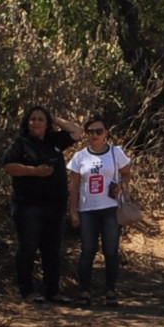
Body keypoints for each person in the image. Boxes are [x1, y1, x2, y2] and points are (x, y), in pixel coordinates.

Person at [0, 101, 74, 303]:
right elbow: (9, 166)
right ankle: (27, 291)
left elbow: (76, 132)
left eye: (41, 119)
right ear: (27, 122)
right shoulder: (20, 144)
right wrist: (35, 172)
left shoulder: (55, 141)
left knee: (52, 249)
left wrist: (55, 119)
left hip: (55, 205)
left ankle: (53, 291)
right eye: (33, 119)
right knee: (28, 247)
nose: (37, 122)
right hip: (28, 206)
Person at [68, 114, 131, 301]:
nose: (95, 135)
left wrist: (122, 186)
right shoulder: (80, 157)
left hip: (111, 208)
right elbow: (73, 187)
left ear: (106, 133)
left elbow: (127, 174)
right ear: (86, 134)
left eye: (99, 131)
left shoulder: (116, 153)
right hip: (88, 210)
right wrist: (73, 211)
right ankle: (85, 291)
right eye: (91, 131)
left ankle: (110, 290)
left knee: (111, 250)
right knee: (88, 250)